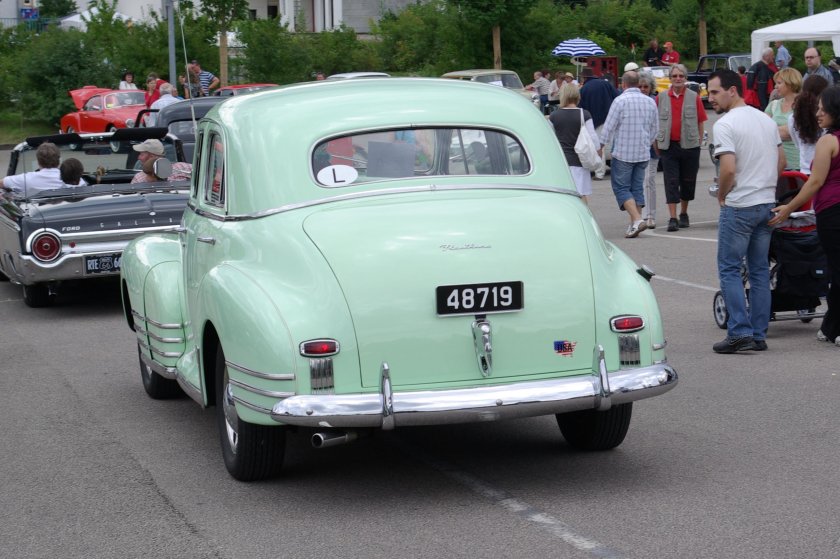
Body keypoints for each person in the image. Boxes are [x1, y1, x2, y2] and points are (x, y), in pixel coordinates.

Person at [707, 69, 785, 353]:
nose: (710, 97)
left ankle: (739, 331)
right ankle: (758, 333)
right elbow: (781, 159)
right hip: (765, 203)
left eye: (715, 92)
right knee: (759, 271)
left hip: (740, 205)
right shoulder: (764, 119)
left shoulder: (725, 124)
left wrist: (723, 194)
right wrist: (767, 185)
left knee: (729, 269)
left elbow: (727, 168)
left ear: (732, 90)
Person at [770, 86, 840, 347]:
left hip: (832, 211)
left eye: (823, 109)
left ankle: (835, 326)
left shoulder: (828, 141)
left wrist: (789, 208)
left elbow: (814, 182)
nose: (818, 113)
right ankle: (830, 326)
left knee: (836, 271)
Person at [599, 71, 659, 238]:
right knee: (637, 188)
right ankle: (634, 224)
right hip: (642, 153)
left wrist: (600, 145)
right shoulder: (650, 102)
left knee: (621, 188)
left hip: (624, 153)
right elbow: (655, 130)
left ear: (623, 84)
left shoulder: (619, 101)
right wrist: (646, 143)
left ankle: (638, 219)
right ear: (637, 83)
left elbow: (609, 126)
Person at [656, 63, 708, 232]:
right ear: (670, 79)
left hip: (690, 146)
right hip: (668, 146)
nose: (678, 79)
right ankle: (672, 217)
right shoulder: (661, 97)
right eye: (675, 76)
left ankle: (684, 213)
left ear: (685, 78)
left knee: (687, 181)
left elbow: (700, 122)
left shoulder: (694, 97)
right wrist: (656, 143)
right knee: (670, 181)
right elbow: (655, 123)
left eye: (681, 76)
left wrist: (698, 142)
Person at [549, 83, 600, 204]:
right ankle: (583, 220)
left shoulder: (554, 116)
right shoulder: (584, 114)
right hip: (580, 162)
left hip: (561, 163)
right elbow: (593, 139)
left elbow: (549, 140)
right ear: (577, 96)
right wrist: (598, 153)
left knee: (564, 197)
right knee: (581, 195)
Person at [579, 68, 619, 180]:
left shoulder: (584, 89)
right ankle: (617, 171)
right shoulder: (605, 84)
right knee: (613, 147)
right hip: (610, 118)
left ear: (584, 77)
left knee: (598, 147)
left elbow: (581, 108)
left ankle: (599, 173)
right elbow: (617, 96)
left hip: (594, 121)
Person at [788, 75, 829, 175]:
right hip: (826, 170)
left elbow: (797, 143)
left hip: (804, 170)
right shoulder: (828, 117)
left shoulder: (793, 118)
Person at [765, 67, 803, 171]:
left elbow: (789, 132)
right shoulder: (773, 104)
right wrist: (785, 130)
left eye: (779, 83)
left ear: (790, 83)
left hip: (797, 164)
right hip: (775, 164)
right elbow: (762, 130)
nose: (775, 86)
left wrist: (771, 130)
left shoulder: (803, 105)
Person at [639, 73, 660, 229]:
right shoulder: (633, 101)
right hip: (637, 148)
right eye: (640, 86)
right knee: (639, 182)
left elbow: (657, 126)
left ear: (651, 88)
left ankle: (650, 214)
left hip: (651, 148)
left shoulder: (654, 102)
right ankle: (640, 214)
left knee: (649, 180)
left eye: (646, 86)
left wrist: (657, 144)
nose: (643, 89)